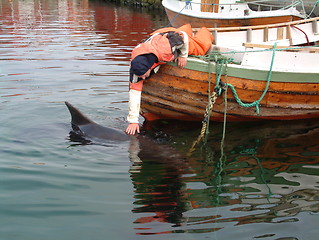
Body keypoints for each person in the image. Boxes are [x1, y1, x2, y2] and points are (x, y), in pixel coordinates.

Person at [125, 24, 214, 135]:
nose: (143, 78)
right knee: (177, 33)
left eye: (143, 75)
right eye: (141, 77)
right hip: (160, 36)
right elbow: (134, 93)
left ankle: (205, 31)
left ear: (149, 67)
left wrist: (183, 55)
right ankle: (187, 26)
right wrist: (133, 121)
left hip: (168, 38)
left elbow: (183, 37)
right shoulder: (135, 68)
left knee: (199, 48)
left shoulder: (164, 50)